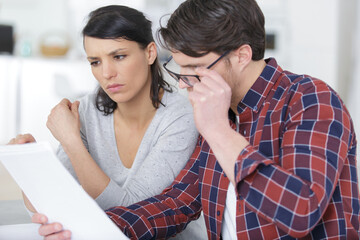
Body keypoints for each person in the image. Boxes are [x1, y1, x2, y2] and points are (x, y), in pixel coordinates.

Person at [31, 0, 360, 239]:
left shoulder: (310, 99)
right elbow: (176, 203)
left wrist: (218, 131)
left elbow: (300, 210)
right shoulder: (219, 108)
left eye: (194, 69)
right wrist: (89, 229)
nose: (185, 83)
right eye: (180, 69)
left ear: (241, 55)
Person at [9, 4, 207, 239]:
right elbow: (50, 204)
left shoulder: (181, 117)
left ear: (150, 53)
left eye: (119, 56)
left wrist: (72, 141)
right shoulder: (86, 112)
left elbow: (132, 211)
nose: (107, 73)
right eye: (95, 62)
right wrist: (30, 168)